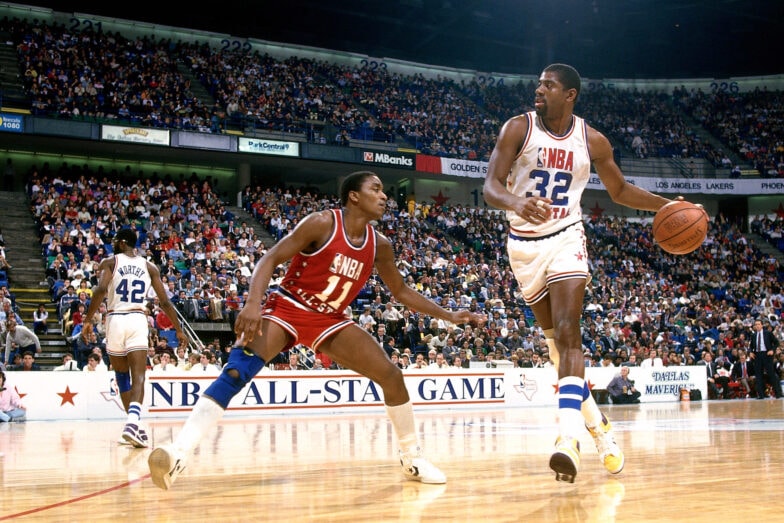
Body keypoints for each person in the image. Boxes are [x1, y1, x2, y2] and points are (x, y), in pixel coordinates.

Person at [148, 171, 485, 490]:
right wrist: (252, 303)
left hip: (330, 318)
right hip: (289, 306)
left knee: (392, 376)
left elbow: (401, 291)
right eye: (376, 189)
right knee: (237, 370)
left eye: (383, 191)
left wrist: (448, 314)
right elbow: (270, 258)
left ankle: (412, 458)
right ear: (354, 196)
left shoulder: (380, 245)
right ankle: (179, 453)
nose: (384, 196)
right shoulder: (322, 222)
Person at [483, 63, 687, 483]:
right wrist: (516, 203)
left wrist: (667, 205)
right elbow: (490, 186)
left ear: (570, 94)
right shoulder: (518, 128)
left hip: (566, 236)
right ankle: (600, 429)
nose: (539, 89)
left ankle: (568, 438)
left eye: (549, 85)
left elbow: (620, 191)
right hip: (523, 245)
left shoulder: (592, 139)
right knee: (556, 349)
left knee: (568, 331)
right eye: (539, 83)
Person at [81, 228, 188, 448]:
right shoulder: (150, 267)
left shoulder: (110, 262)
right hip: (138, 319)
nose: (112, 244)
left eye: (114, 241)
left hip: (115, 319)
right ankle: (134, 424)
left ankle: (132, 425)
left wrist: (88, 320)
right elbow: (165, 302)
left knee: (122, 376)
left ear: (122, 243)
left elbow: (100, 290)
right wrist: (178, 329)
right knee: (138, 376)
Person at [749, 319, 783, 399]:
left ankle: (778, 394)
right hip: (757, 355)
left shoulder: (768, 333)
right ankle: (761, 395)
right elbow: (751, 346)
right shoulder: (753, 335)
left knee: (771, 374)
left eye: (758, 324)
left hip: (766, 355)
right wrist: (751, 352)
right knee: (758, 376)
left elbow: (776, 342)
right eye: (756, 324)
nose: (757, 326)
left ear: (762, 325)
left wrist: (772, 350)